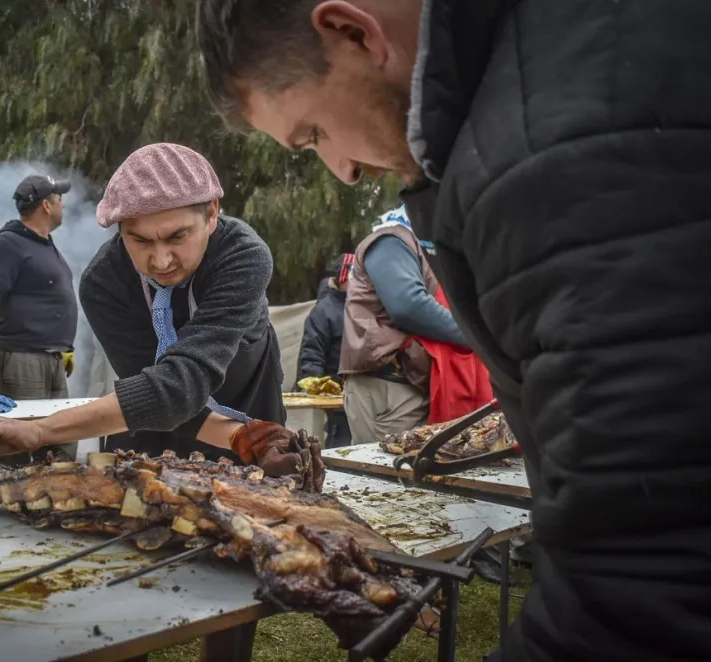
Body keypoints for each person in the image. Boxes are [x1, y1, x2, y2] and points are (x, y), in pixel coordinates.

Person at [196, 2, 711, 661]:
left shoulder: (546, 159)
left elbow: (643, 581)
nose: (343, 170)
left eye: (315, 132)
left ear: (354, 33)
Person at [0, 143, 323, 491]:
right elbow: (164, 394)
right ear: (120, 231)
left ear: (212, 214)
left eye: (177, 236)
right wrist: (37, 433)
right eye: (141, 241)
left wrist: (246, 436)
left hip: (246, 397)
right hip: (153, 409)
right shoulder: (104, 283)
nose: (161, 261)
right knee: (147, 505)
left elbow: (184, 380)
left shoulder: (242, 256)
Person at [0, 174, 79, 463]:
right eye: (59, 199)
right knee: (20, 443)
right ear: (46, 205)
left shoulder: (45, 244)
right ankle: (8, 501)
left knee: (61, 439)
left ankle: (55, 502)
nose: (63, 205)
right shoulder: (10, 242)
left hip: (52, 358)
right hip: (22, 358)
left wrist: (64, 345)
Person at [340, 204, 468, 443]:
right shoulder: (392, 240)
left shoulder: (421, 244)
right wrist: (476, 336)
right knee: (388, 474)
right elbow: (409, 306)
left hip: (406, 384)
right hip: (391, 386)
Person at [296, 253, 353, 447]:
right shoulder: (324, 310)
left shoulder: (362, 305)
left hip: (359, 390)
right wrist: (315, 384)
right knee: (341, 441)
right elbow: (312, 351)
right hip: (335, 392)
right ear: (342, 278)